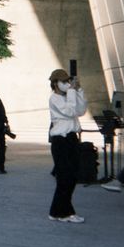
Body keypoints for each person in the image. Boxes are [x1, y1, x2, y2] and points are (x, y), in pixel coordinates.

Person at [48, 69, 87, 222]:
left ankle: (56, 212)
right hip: (60, 140)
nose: (67, 84)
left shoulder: (68, 96)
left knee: (71, 177)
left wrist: (79, 91)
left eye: (68, 81)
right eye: (64, 82)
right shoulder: (54, 98)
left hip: (71, 138)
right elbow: (70, 111)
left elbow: (81, 110)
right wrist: (71, 91)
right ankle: (66, 213)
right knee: (65, 177)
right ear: (55, 83)